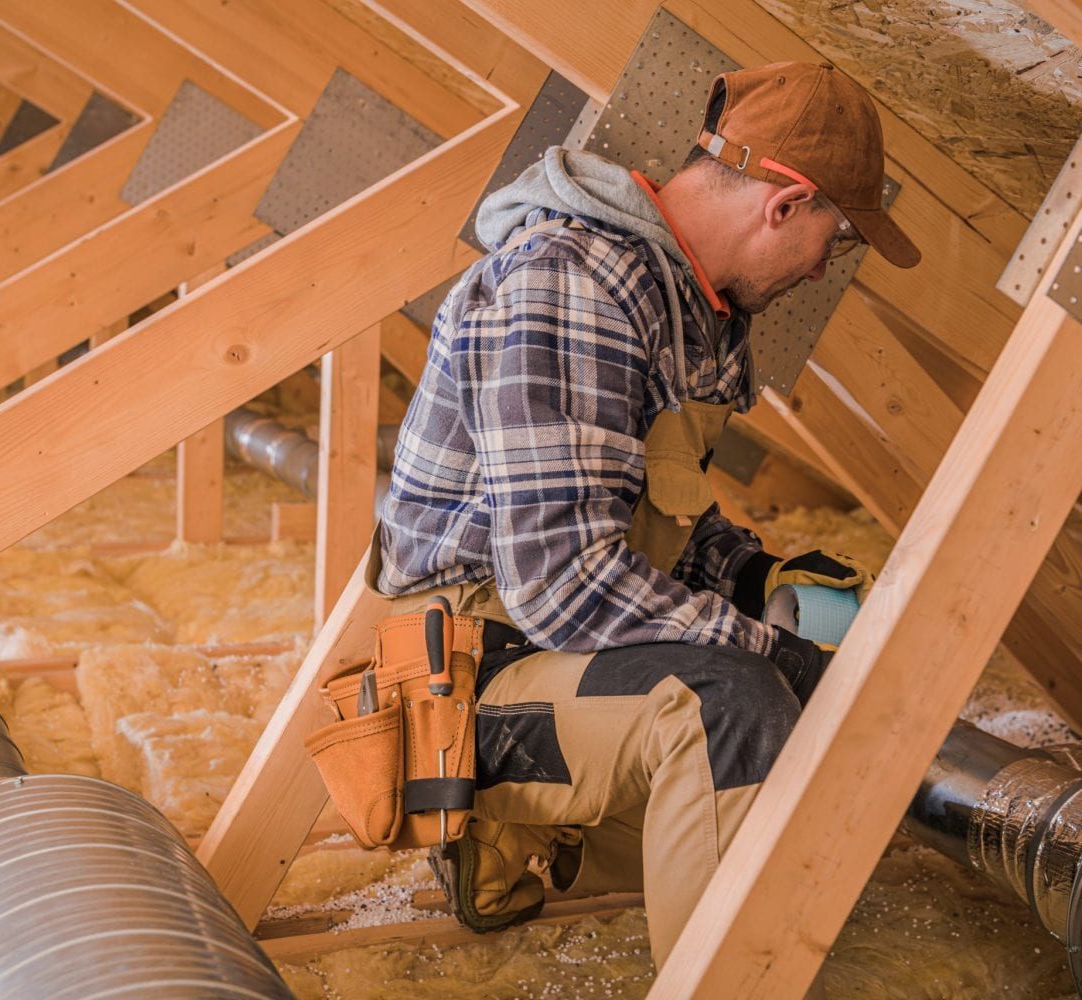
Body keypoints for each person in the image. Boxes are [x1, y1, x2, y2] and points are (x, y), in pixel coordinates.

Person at [368, 61, 920, 969]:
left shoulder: (677, 300)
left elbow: (646, 511)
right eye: (839, 236)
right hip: (472, 690)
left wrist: (753, 577)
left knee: (795, 750)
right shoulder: (574, 283)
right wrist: (773, 653)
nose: (827, 266)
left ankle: (545, 845)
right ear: (785, 203)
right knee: (730, 708)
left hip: (556, 664)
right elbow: (563, 581)